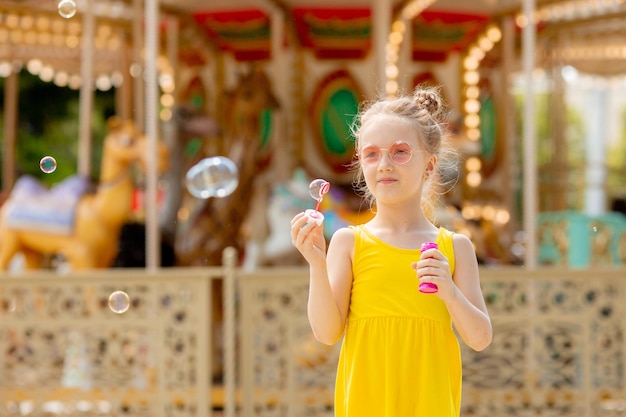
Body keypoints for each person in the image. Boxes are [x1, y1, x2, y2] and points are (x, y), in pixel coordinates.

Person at [290, 86, 492, 417]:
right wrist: (316, 262)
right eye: (371, 154)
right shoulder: (348, 242)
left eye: (399, 152)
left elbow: (481, 338)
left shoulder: (455, 248)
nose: (383, 164)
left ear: (429, 165)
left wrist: (450, 292)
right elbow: (326, 333)